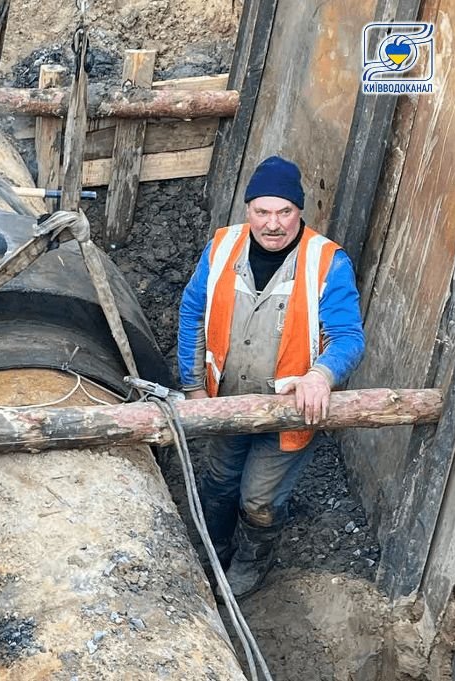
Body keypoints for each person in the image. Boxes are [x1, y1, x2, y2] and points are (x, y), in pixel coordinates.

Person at [178, 156, 365, 597]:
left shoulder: (327, 261)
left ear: (300, 212)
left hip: (288, 414)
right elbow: (192, 310)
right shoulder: (222, 247)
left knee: (258, 499)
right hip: (226, 400)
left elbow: (348, 337)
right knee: (218, 482)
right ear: (248, 210)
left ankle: (249, 564)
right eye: (262, 211)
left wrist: (321, 375)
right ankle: (212, 550)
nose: (273, 224)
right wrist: (193, 386)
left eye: (284, 212)